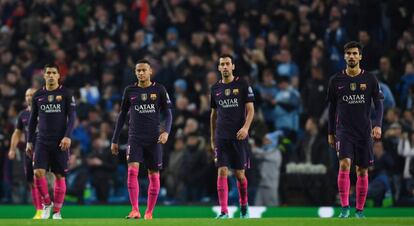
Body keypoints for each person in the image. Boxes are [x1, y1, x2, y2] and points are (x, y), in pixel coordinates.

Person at [327, 41, 384, 218]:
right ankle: (344, 208)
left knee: (362, 170)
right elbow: (331, 109)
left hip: (364, 131)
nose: (351, 56)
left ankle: (359, 210)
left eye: (355, 53)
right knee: (344, 164)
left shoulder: (370, 79)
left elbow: (379, 103)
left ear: (360, 56)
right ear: (344, 56)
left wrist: (378, 125)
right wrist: (330, 132)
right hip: (343, 131)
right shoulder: (336, 80)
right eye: (349, 53)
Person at [111, 59, 172, 220]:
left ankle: (149, 212)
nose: (141, 73)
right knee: (132, 171)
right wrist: (114, 139)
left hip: (154, 139)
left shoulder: (159, 89)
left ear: (150, 71)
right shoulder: (130, 90)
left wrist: (166, 132)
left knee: (154, 174)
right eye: (138, 70)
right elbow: (122, 115)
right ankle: (135, 210)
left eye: (144, 70)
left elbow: (168, 113)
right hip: (135, 138)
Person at [26, 63, 76, 220]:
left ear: (58, 75)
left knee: (59, 176)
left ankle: (57, 212)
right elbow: (33, 119)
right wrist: (29, 141)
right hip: (42, 140)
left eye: (54, 72)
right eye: (48, 72)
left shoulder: (66, 93)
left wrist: (67, 136)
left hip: (60, 141)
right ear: (44, 75)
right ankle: (47, 204)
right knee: (38, 172)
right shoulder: (38, 95)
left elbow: (72, 117)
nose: (51, 75)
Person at [210, 54, 255, 219]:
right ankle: (224, 211)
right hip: (221, 136)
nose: (225, 67)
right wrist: (212, 138)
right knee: (221, 171)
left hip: (239, 136)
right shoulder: (215, 88)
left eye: (228, 63)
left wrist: (245, 128)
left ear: (232, 66)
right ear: (219, 67)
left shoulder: (242, 84)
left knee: (239, 175)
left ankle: (244, 206)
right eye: (222, 64)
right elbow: (213, 115)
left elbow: (250, 110)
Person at [8, 88, 42, 219]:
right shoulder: (23, 115)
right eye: (27, 95)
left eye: (31, 95)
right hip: (29, 151)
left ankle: (49, 207)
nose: (28, 97)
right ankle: (39, 210)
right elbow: (17, 133)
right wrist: (12, 148)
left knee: (41, 177)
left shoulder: (45, 112)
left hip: (44, 150)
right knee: (31, 181)